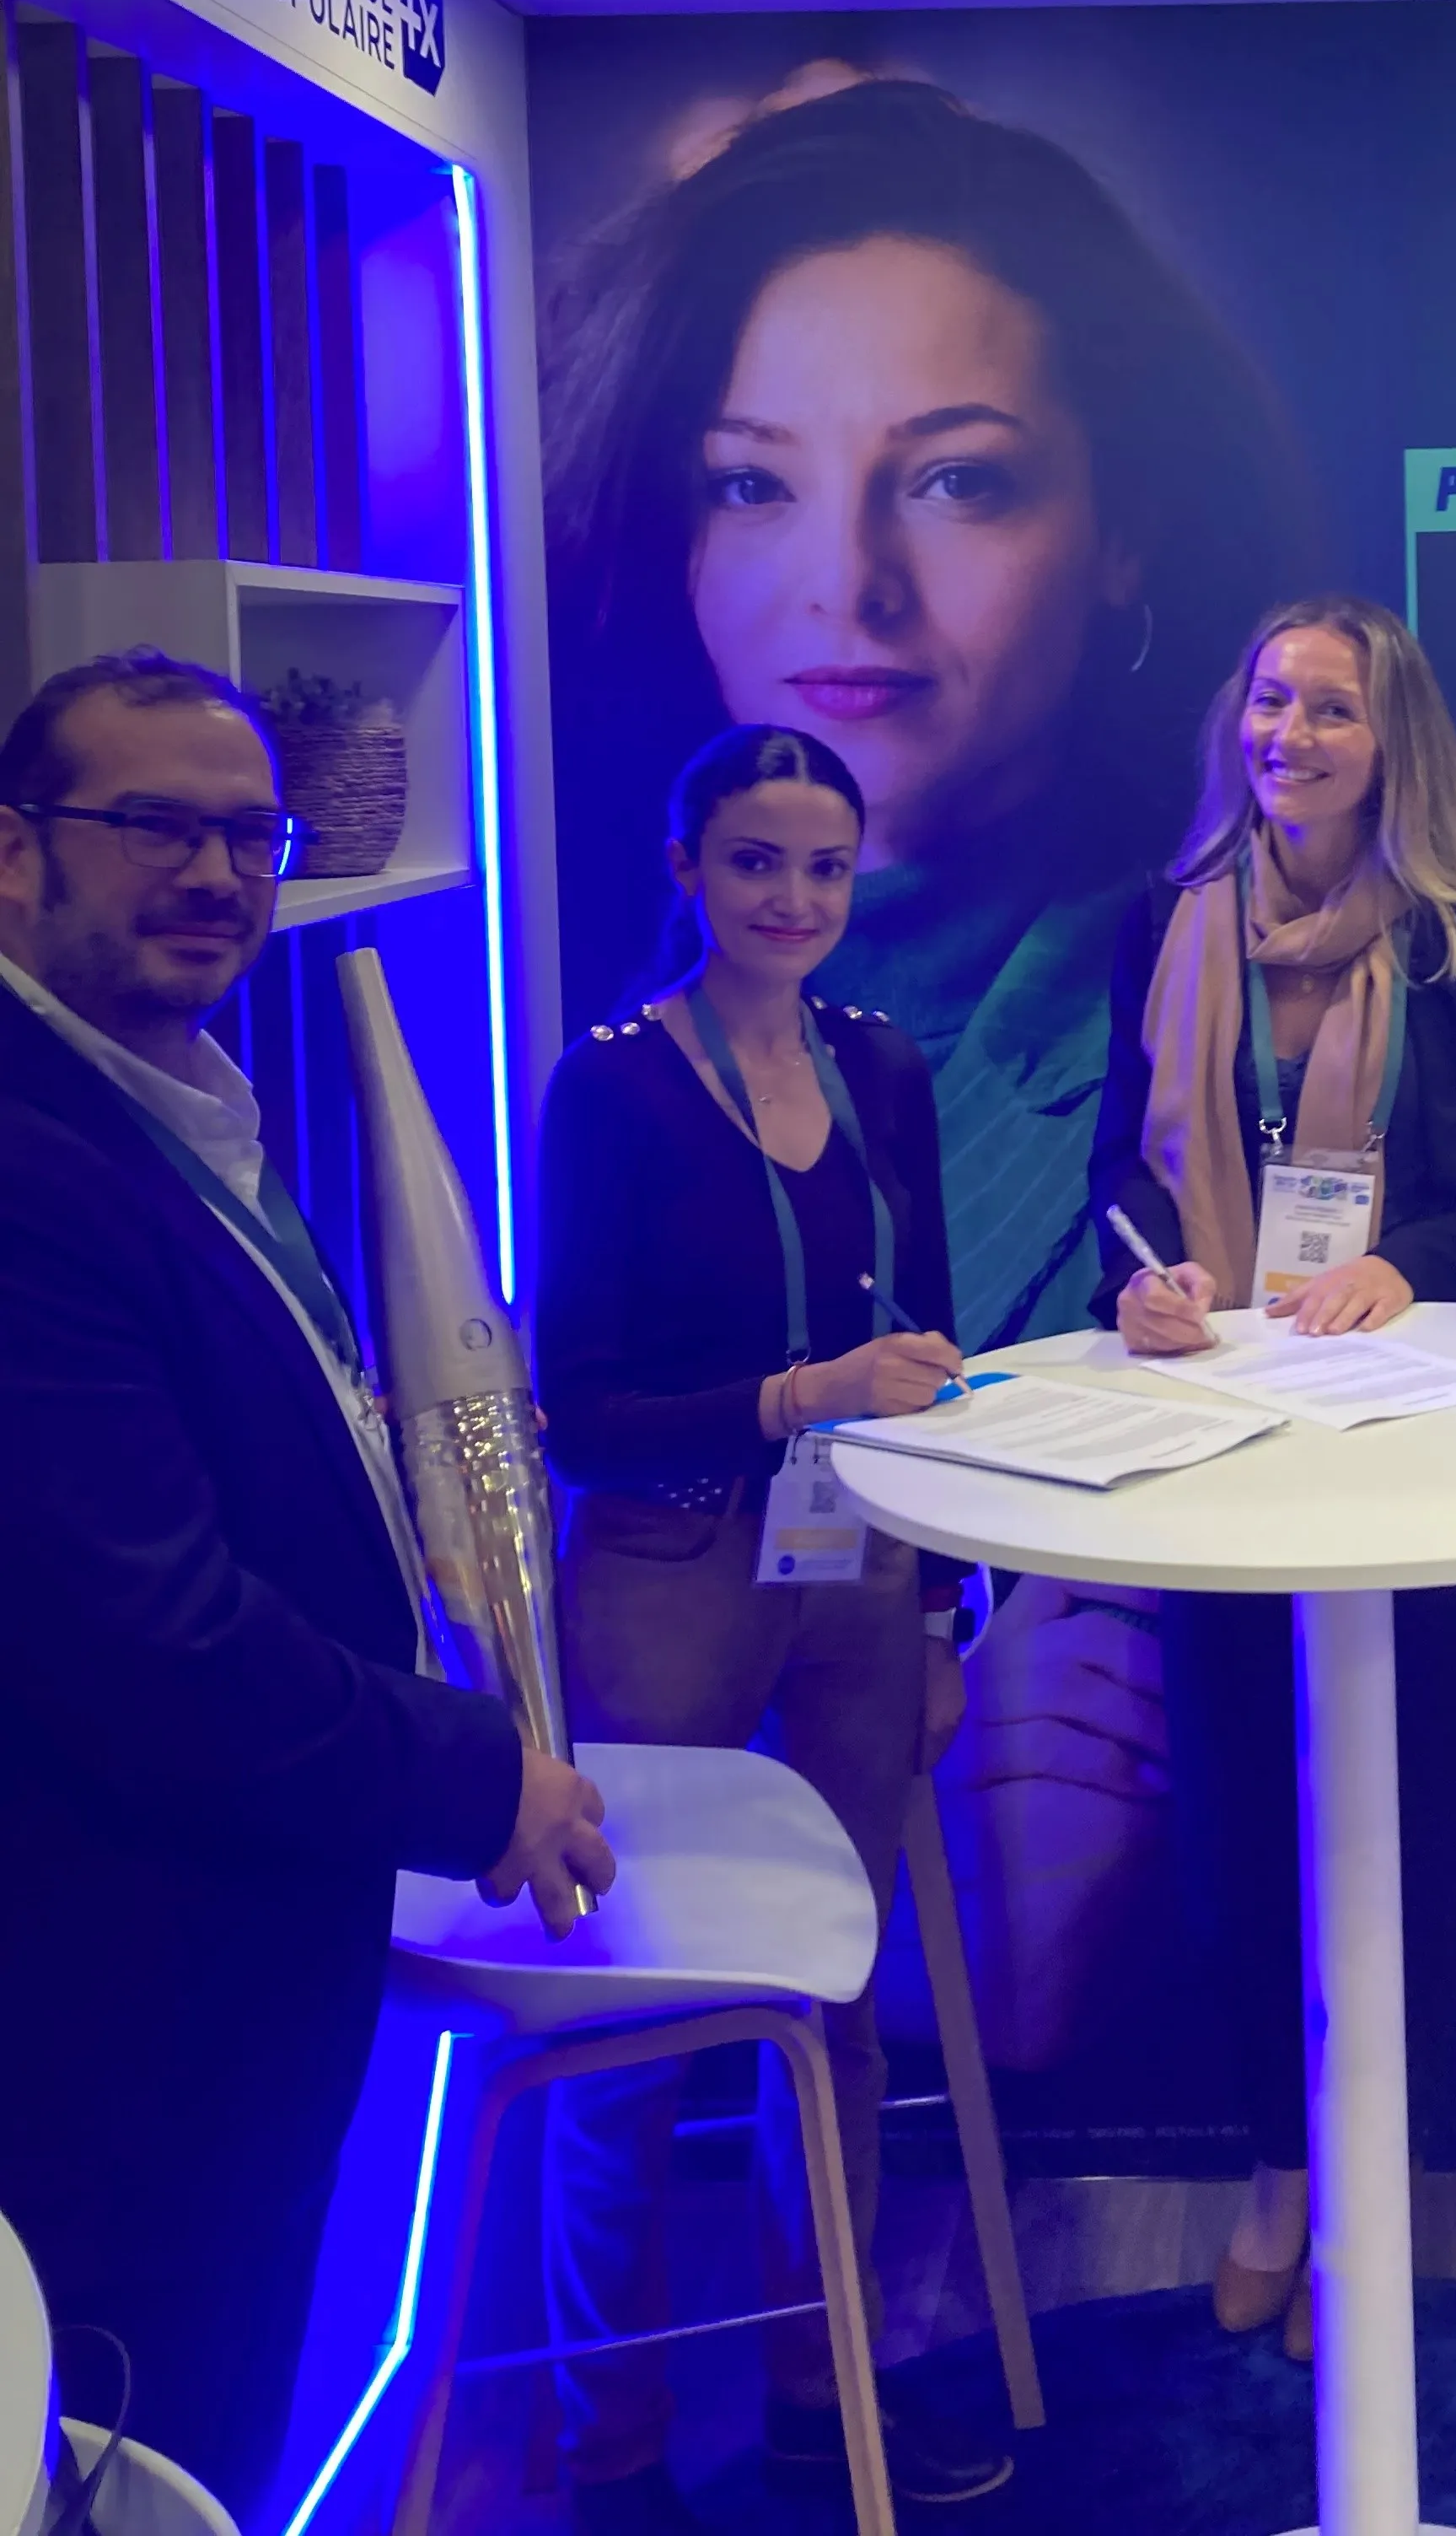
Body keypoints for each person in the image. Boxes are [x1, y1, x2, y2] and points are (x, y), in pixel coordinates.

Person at [0, 650, 612, 2518]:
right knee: (143, 2428)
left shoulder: (172, 1090)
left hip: (241, 1912)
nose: (212, 874)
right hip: (125, 1968)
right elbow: (150, 1638)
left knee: (231, 2385)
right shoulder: (27, 1163)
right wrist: (476, 1771)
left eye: (243, 833)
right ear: (16, 853)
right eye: (151, 828)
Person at [543, 67, 1312, 1354]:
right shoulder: (574, 993)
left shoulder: (1211, 993)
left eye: (958, 480)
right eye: (749, 485)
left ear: (1125, 531)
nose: (849, 586)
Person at [1086, 595, 1456, 2357]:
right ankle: (1274, 2180)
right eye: (1271, 699)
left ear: (1397, 747)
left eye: (1331, 711)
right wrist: (1137, 1279)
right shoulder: (1170, 918)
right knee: (1235, 1834)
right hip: (1215, 1450)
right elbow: (1110, 1179)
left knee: (1405, 1827)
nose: (1288, 734)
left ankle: (1375, 2183)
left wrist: (1412, 1259)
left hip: (1410, 1447)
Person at [534, 724, 1009, 2526]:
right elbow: (579, 1408)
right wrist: (794, 1392)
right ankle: (612, 2454)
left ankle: (830, 2403)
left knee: (842, 1999)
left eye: (823, 865)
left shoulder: (883, 1064)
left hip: (867, 1569)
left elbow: (941, 1349)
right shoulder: (612, 1089)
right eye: (754, 862)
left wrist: (950, 1609)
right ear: (687, 873)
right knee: (630, 2035)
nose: (793, 898)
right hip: (664, 1570)